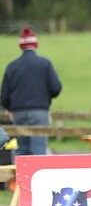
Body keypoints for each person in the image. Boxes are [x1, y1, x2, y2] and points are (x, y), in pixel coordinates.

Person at [0, 25, 62, 156]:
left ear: (20, 46)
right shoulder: (45, 64)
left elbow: (4, 95)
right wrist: (45, 98)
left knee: (21, 149)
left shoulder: (12, 67)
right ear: (35, 44)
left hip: (18, 113)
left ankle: (22, 175)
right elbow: (56, 88)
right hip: (39, 111)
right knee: (38, 149)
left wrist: (10, 108)